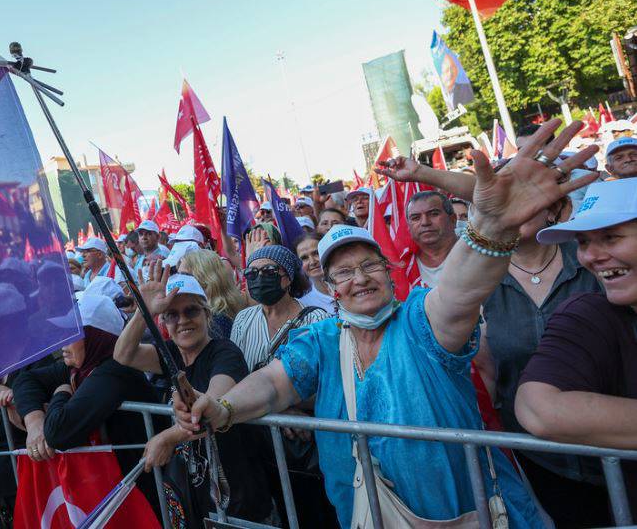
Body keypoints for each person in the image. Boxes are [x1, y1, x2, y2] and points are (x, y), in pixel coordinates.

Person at [177, 118, 596, 527]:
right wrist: (223, 407)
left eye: (369, 265)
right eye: (342, 272)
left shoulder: (418, 318)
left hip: (471, 514)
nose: (359, 278)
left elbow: (459, 293)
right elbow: (273, 383)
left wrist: (491, 228)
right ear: (331, 287)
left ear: (389, 270)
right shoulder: (320, 340)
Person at [380, 153, 608, 524]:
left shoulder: (589, 258)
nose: (516, 208)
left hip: (615, 446)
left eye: (526, 200)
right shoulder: (480, 285)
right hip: (539, 456)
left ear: (551, 208)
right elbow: (483, 377)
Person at [113, 266, 274, 525]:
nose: (183, 321)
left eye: (191, 311)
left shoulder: (225, 353)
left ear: (207, 314)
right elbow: (123, 355)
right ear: (163, 323)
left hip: (237, 494)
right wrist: (145, 312)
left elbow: (209, 409)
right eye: (171, 315)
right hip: (195, 493)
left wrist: (166, 438)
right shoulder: (171, 355)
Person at [516, 177, 637, 513]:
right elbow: (539, 409)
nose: (590, 257)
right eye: (583, 242)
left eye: (611, 237)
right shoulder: (589, 312)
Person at [10, 294, 161, 510]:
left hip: (144, 497)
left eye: (72, 333)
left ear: (96, 336)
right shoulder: (81, 366)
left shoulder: (114, 371)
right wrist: (34, 422)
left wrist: (61, 393)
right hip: (117, 491)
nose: (62, 340)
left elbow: (58, 432)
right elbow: (27, 379)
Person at [230, 245, 327, 371]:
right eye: (251, 273)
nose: (259, 278)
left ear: (288, 278)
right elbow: (235, 370)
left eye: (269, 271)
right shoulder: (243, 319)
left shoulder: (316, 320)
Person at [177, 249, 246, 339]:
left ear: (204, 278)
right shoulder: (216, 312)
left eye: (184, 275)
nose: (179, 281)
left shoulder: (217, 320)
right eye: (178, 275)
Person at [406, 191, 458, 288]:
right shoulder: (403, 265)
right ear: (408, 227)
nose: (425, 222)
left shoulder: (475, 251)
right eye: (416, 218)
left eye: (434, 214)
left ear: (453, 219)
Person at [294, 234, 336, 313]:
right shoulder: (303, 304)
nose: (312, 262)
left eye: (316, 253)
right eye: (304, 258)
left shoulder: (353, 284)